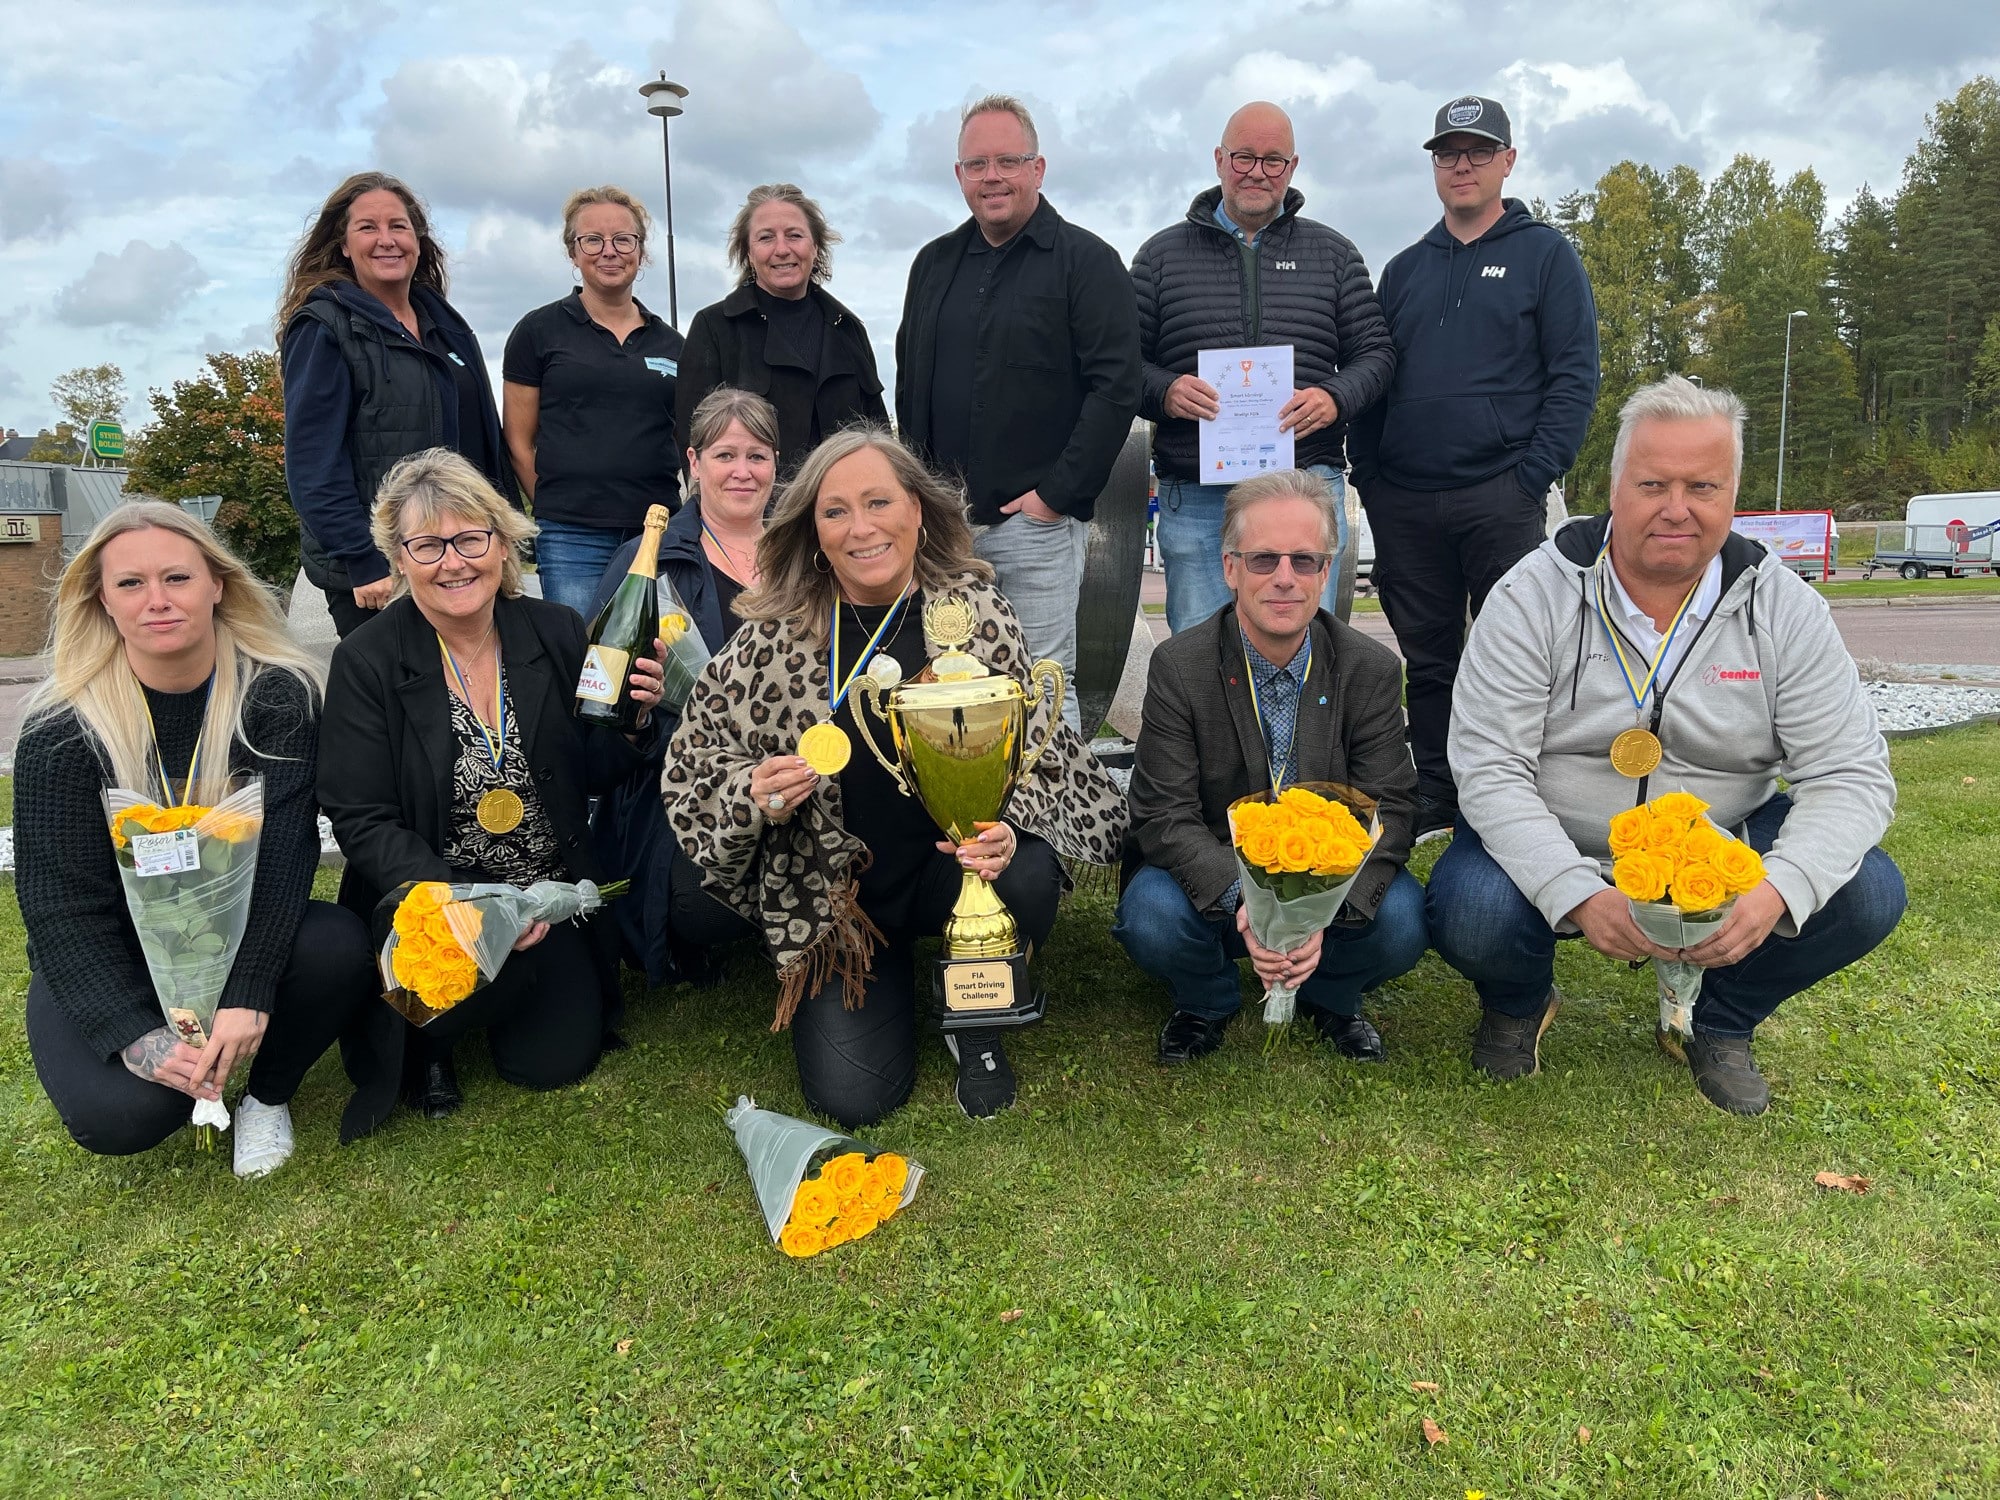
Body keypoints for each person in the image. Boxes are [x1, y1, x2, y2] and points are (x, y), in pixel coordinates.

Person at [1426, 378, 1906, 1115]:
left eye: (1702, 486)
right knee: (1472, 907)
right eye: (1653, 483)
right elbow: (1489, 769)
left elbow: (1852, 775)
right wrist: (1576, 891)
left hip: (1720, 844)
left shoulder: (1786, 608)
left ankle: (1718, 1021)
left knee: (1867, 890)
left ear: (1733, 493)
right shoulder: (1530, 595)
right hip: (1563, 836)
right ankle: (1520, 1001)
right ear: (1614, 487)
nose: (1676, 508)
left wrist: (1777, 887)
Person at [663, 429, 1126, 1126]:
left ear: (917, 509)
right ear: (813, 531)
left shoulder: (975, 614)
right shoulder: (771, 634)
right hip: (839, 897)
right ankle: (885, 973)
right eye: (836, 511)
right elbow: (695, 764)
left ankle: (978, 1016)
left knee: (1026, 874)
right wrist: (755, 793)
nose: (862, 528)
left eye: (879, 502)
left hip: (954, 872)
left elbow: (1039, 748)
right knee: (853, 1099)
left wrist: (1010, 822)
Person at [16, 502, 377, 1173]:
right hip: (121, 954)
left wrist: (249, 994)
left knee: (337, 945)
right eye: (130, 584)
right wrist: (137, 1038)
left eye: (176, 578)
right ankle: (180, 1075)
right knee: (124, 1116)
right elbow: (61, 910)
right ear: (101, 599)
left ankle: (265, 1099)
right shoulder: (60, 731)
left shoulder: (279, 699)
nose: (157, 601)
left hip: (232, 935)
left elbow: (282, 866)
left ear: (217, 583)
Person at [318, 449, 664, 1129]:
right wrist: (466, 906)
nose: (454, 562)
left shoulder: (555, 630)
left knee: (554, 1064)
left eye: (471, 538)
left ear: (502, 544)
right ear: (399, 557)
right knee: (444, 991)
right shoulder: (366, 661)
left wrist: (634, 725)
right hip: (437, 895)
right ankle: (427, 1036)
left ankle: (505, 989)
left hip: (543, 893)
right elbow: (360, 817)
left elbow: (588, 770)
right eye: (428, 545)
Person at [1346, 96, 1600, 839]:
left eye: (1477, 151)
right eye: (1447, 153)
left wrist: (1531, 476)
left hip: (1502, 495)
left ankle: (1508, 797)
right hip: (1406, 501)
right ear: (1433, 165)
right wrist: (1372, 476)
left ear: (1508, 161)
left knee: (1510, 659)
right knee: (1427, 663)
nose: (1461, 165)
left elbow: (1574, 375)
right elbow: (1375, 371)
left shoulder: (1546, 256)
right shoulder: (1403, 271)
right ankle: (1436, 791)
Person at [1113, 470, 1425, 1062]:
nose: (1284, 578)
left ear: (1326, 573)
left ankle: (1330, 995)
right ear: (1230, 567)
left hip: (1327, 875)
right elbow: (1162, 813)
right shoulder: (1181, 667)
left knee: (1404, 917)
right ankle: (1206, 999)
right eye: (1263, 560)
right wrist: (1249, 906)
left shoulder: (1370, 669)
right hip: (1215, 879)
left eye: (1303, 561)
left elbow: (1392, 805)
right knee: (1150, 912)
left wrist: (1321, 912)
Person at [895, 94, 1142, 727]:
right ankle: (966, 824)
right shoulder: (931, 265)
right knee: (948, 691)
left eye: (1009, 160)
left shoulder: (1088, 264)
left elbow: (1116, 388)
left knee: (1040, 690)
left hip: (1034, 530)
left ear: (1038, 168)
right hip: (943, 532)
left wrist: (1054, 497)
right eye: (977, 164)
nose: (992, 176)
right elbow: (910, 382)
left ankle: (1049, 827)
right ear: (959, 176)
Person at [1131, 102, 1397, 634]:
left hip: (1305, 486)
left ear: (1292, 167)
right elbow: (1118, 364)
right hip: (1199, 492)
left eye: (1273, 160)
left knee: (1305, 655)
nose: (1257, 171)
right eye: (1244, 156)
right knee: (1199, 660)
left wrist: (1335, 397)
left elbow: (1378, 353)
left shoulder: (1335, 255)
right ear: (1219, 159)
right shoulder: (1159, 258)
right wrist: (1164, 390)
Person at [587, 387, 780, 984]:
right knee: (700, 904)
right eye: (725, 455)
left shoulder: (809, 552)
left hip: (798, 767)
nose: (742, 471)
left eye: (758, 455)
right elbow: (603, 711)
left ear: (778, 464)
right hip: (688, 779)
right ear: (693, 464)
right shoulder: (646, 561)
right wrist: (640, 713)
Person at [280, 171, 518, 640]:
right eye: (367, 227)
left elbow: (484, 439)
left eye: (398, 226)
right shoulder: (325, 326)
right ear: (343, 245)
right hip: (380, 569)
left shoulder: (445, 323)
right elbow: (312, 461)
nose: (385, 240)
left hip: (460, 553)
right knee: (400, 702)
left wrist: (501, 531)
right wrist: (360, 557)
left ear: (418, 241)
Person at [502, 185, 687, 619]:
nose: (610, 251)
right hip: (571, 537)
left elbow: (687, 441)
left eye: (624, 239)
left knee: (652, 665)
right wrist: (557, 508)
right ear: (573, 251)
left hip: (655, 530)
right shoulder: (538, 331)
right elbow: (518, 441)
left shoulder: (673, 345)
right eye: (593, 240)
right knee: (583, 665)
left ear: (640, 252)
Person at [675, 184, 886, 477]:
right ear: (748, 252)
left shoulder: (848, 329)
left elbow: (878, 436)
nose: (782, 249)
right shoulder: (714, 328)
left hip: (840, 512)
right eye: (766, 238)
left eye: (795, 235)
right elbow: (692, 440)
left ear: (815, 247)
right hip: (755, 516)